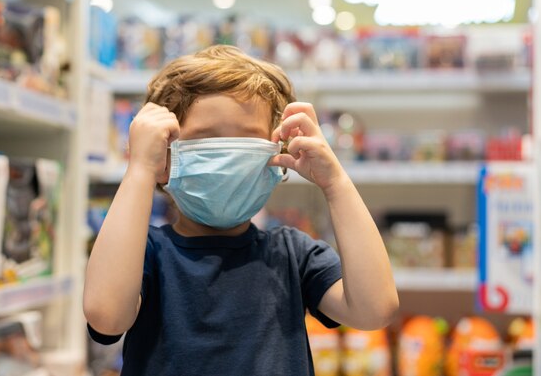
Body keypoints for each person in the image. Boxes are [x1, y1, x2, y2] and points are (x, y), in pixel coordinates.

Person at [84, 45, 399, 375]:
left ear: (276, 153)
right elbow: (106, 316)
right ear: (166, 156)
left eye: (247, 139)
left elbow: (374, 310)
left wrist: (335, 183)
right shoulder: (144, 254)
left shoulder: (294, 255)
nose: (227, 156)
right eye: (208, 138)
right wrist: (139, 170)